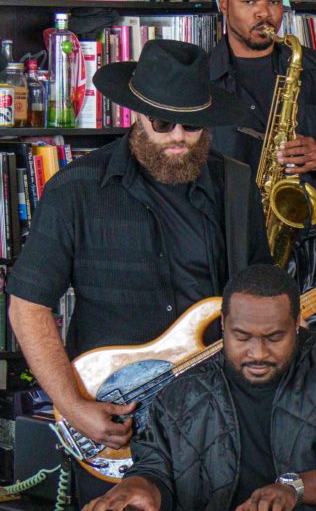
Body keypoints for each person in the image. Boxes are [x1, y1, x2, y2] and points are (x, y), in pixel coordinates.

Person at [6, 39, 271, 503]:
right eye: (163, 122)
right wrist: (74, 407)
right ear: (136, 114)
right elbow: (27, 307)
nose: (178, 137)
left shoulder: (234, 185)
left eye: (191, 124)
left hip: (216, 420)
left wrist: (279, 317)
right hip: (113, 419)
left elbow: (260, 289)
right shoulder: (76, 191)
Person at [81, 264, 316, 511]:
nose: (258, 353)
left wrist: (294, 488)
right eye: (242, 337)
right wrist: (138, 489)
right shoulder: (182, 394)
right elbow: (156, 469)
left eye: (274, 337)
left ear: (297, 324)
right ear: (223, 326)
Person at [207, 0, 316, 295]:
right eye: (250, 2)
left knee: (314, 350)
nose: (265, 14)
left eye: (273, 2)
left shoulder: (313, 68)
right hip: (226, 246)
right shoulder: (200, 78)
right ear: (224, 5)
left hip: (307, 249)